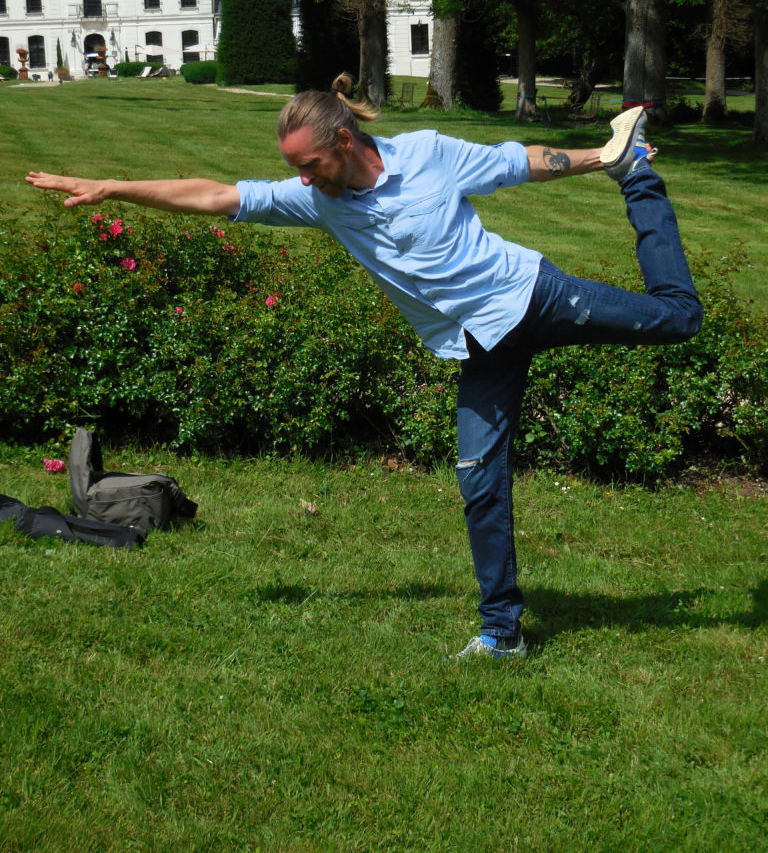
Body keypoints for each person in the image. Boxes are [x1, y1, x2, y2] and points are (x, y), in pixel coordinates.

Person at [26, 84, 702, 660]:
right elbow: (215, 196)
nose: (303, 178)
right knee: (479, 481)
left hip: (534, 297)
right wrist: (113, 186)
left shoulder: (430, 155)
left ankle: (638, 175)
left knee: (678, 319)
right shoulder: (317, 200)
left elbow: (517, 162)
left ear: (345, 142)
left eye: (311, 163)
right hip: (481, 349)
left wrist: (605, 160)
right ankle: (502, 633)